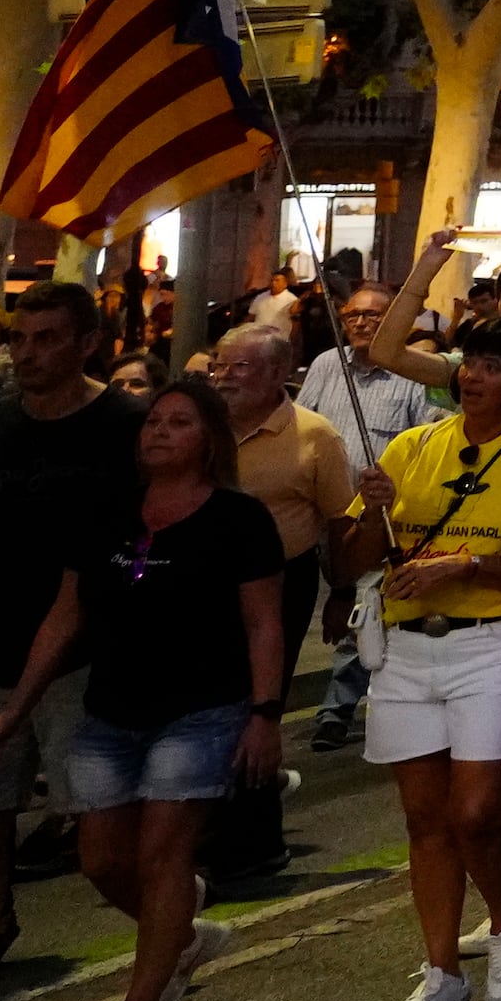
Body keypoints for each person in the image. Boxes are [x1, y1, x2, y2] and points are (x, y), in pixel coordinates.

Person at [0, 374, 280, 1001]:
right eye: (153, 422)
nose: (159, 432)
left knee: (162, 849)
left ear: (209, 438)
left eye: (179, 422)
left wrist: (265, 711)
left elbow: (263, 621)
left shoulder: (237, 518)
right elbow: (64, 615)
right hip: (111, 707)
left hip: (201, 708)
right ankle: (184, 934)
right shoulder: (109, 512)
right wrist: (15, 710)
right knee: (102, 857)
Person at [351, 320, 501, 1001]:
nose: (473, 376)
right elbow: (355, 554)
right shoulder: (411, 446)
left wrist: (468, 564)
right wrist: (373, 509)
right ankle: (441, 971)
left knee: (479, 808)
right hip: (408, 644)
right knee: (425, 819)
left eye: (492, 364)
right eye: (468, 363)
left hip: (500, 639)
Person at [0, 274, 145, 1001]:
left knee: (102, 848)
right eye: (18, 339)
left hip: (92, 655)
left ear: (86, 343)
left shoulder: (128, 426)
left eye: (46, 339)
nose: (29, 354)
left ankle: (172, 916)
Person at [199, 322, 346, 879]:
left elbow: (337, 521)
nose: (224, 376)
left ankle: (255, 836)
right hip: (202, 589)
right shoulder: (200, 426)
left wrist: (343, 595)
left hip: (282, 584)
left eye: (239, 367)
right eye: (219, 364)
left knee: (258, 707)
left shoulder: (314, 435)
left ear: (279, 373)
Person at [296, 274, 437, 749]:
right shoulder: (324, 365)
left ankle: (336, 710)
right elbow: (304, 424)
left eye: (372, 314)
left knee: (363, 607)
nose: (360, 322)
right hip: (322, 512)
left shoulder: (413, 370)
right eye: (352, 314)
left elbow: (427, 439)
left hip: (377, 515)